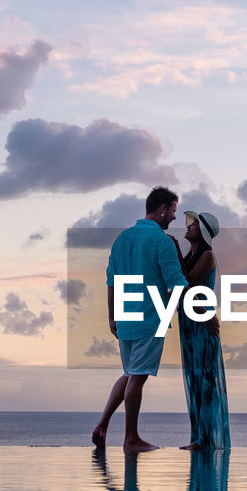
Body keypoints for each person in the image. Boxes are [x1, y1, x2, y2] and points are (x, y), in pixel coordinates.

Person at [92, 186, 183, 454]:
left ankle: (102, 425)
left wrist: (111, 317)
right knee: (138, 377)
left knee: (131, 373)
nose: (174, 218)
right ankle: (131, 437)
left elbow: (111, 281)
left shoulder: (122, 239)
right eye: (174, 211)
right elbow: (176, 281)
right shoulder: (161, 241)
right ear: (163, 209)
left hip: (125, 317)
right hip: (150, 316)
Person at [178, 210, 230, 451]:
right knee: (195, 379)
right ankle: (198, 436)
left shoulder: (208, 255)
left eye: (195, 224)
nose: (188, 226)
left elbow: (188, 284)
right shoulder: (192, 254)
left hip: (202, 321)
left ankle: (205, 439)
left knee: (205, 380)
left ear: (205, 233)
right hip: (190, 322)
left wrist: (174, 252)